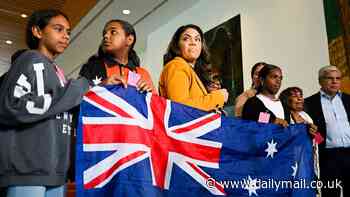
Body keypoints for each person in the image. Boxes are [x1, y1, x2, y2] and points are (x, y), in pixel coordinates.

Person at [0, 9, 91, 197]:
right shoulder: (29, 59)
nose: (65, 36)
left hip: (55, 171)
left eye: (68, 32)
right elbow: (12, 106)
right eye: (58, 29)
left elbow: (62, 107)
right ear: (38, 31)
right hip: (28, 171)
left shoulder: (57, 71)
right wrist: (77, 88)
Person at [159, 24, 228, 111]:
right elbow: (181, 107)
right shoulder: (176, 65)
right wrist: (218, 97)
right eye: (186, 39)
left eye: (197, 39)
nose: (193, 42)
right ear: (177, 45)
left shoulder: (192, 71)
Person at [304, 65, 350, 197]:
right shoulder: (309, 103)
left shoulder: (348, 99)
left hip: (349, 152)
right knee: (330, 193)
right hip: (328, 156)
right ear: (320, 81)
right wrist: (321, 142)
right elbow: (310, 129)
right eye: (330, 78)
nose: (335, 82)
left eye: (337, 78)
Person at [79, 19, 155, 93]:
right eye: (104, 33)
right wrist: (102, 86)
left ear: (129, 40)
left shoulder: (142, 73)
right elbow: (77, 98)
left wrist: (148, 95)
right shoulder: (91, 67)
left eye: (113, 32)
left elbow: (156, 103)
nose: (106, 36)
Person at [279, 87, 321, 195]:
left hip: (308, 165)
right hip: (290, 166)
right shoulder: (281, 116)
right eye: (295, 96)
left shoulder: (306, 116)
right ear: (286, 99)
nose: (300, 99)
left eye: (301, 96)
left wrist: (315, 134)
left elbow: (319, 141)